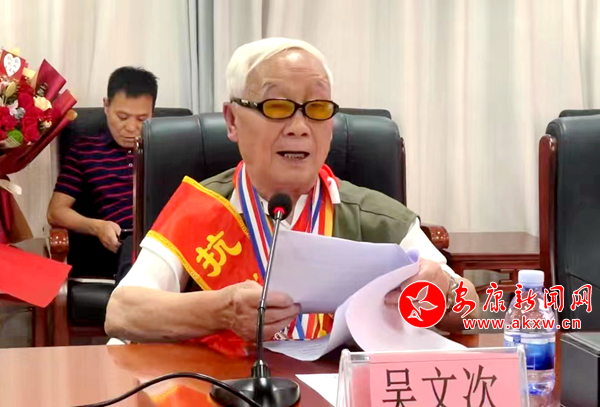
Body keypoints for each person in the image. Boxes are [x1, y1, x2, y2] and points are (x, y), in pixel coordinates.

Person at [105, 38, 478, 345]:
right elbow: (122, 312)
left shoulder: (376, 216)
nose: (300, 127)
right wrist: (221, 311)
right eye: (277, 106)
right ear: (232, 121)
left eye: (317, 108)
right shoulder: (203, 207)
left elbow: (473, 311)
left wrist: (441, 289)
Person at [48, 67, 158, 280]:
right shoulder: (85, 150)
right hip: (125, 243)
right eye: (122, 117)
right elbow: (56, 212)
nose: (131, 127)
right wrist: (97, 227)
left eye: (142, 118)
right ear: (106, 106)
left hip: (169, 237)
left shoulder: (169, 145)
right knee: (137, 251)